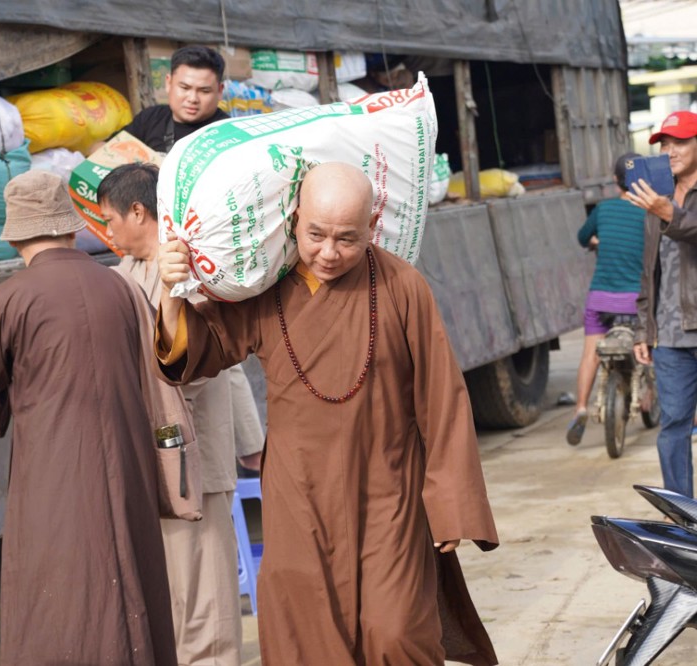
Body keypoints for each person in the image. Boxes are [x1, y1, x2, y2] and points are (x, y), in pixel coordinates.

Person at [155, 162, 499, 665]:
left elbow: (443, 399)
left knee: (397, 631)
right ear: (294, 219)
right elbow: (199, 351)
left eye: (347, 238)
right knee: (307, 632)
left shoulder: (403, 287)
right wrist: (170, 291)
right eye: (316, 235)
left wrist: (450, 503)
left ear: (371, 227)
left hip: (388, 489)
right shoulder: (267, 284)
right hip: (299, 493)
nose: (329, 253)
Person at [0, 170, 176, 665]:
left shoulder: (5, 302)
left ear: (14, 236)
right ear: (71, 228)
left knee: (63, 600)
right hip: (129, 468)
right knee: (132, 587)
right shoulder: (122, 289)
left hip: (55, 476)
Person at [98, 163, 264, 665]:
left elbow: (220, 367)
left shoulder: (188, 272)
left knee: (206, 597)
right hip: (151, 462)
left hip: (195, 459)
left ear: (138, 211)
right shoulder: (122, 278)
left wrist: (248, 441)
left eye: (110, 219)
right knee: (170, 592)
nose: (106, 232)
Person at [629, 110, 697, 497]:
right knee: (673, 426)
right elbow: (647, 268)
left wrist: (670, 214)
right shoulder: (658, 197)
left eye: (681, 141)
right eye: (665, 144)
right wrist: (643, 326)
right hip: (670, 336)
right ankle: (685, 518)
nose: (671, 150)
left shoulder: (663, 206)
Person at [565, 152, 646, 445]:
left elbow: (582, 237)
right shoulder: (649, 213)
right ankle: (648, 398)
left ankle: (581, 408)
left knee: (591, 353)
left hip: (600, 299)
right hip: (636, 302)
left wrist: (598, 240)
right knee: (652, 348)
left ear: (615, 181)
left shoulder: (603, 209)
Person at [120, 45, 230, 153]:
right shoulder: (149, 119)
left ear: (219, 91)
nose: (192, 99)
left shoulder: (229, 134)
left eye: (204, 91)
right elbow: (108, 149)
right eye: (184, 88)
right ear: (168, 83)